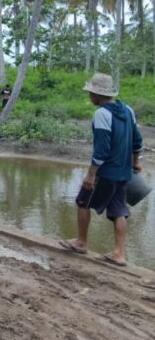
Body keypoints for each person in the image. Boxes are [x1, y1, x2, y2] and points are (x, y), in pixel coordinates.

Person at [59, 74, 143, 267]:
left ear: (97, 94)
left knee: (82, 201)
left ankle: (81, 242)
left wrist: (91, 173)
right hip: (123, 172)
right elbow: (137, 141)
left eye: (91, 92)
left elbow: (102, 150)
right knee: (119, 210)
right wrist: (135, 162)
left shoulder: (102, 114)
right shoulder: (128, 110)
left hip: (105, 172)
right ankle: (119, 253)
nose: (89, 95)